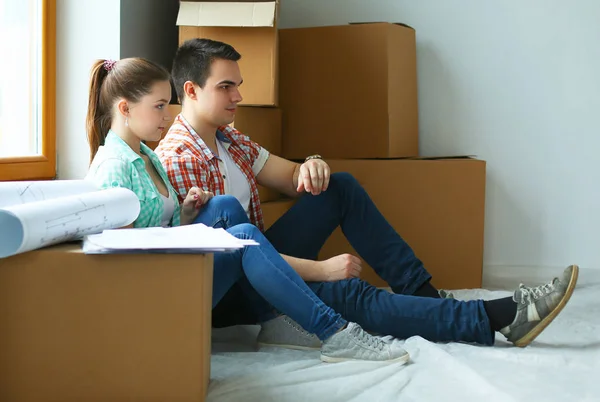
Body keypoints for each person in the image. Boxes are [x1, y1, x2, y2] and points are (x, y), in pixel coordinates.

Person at [154, 38, 579, 351]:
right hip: (231, 291)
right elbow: (239, 254)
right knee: (347, 294)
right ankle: (496, 318)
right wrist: (321, 270)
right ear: (191, 90)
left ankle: (422, 293)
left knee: (340, 186)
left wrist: (313, 164)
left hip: (262, 259)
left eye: (239, 84)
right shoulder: (178, 158)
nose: (239, 96)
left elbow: (292, 176)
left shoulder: (229, 139)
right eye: (226, 86)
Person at [83, 57, 411, 364]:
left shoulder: (145, 155)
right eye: (158, 107)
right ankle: (332, 331)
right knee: (243, 236)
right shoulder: (115, 167)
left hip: (172, 272)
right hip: (155, 297)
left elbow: (154, 227)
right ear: (125, 108)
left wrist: (184, 215)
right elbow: (120, 263)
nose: (166, 116)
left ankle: (279, 320)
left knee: (223, 206)